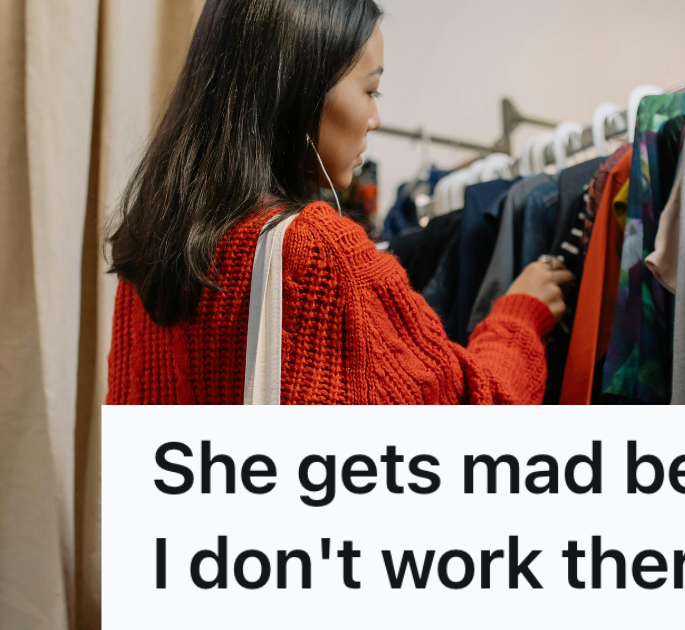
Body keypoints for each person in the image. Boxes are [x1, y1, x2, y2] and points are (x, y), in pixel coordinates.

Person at [106, 0, 571, 404]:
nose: (374, 117)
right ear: (300, 89)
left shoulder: (149, 249)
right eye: (370, 90)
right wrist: (518, 317)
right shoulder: (319, 256)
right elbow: (473, 424)